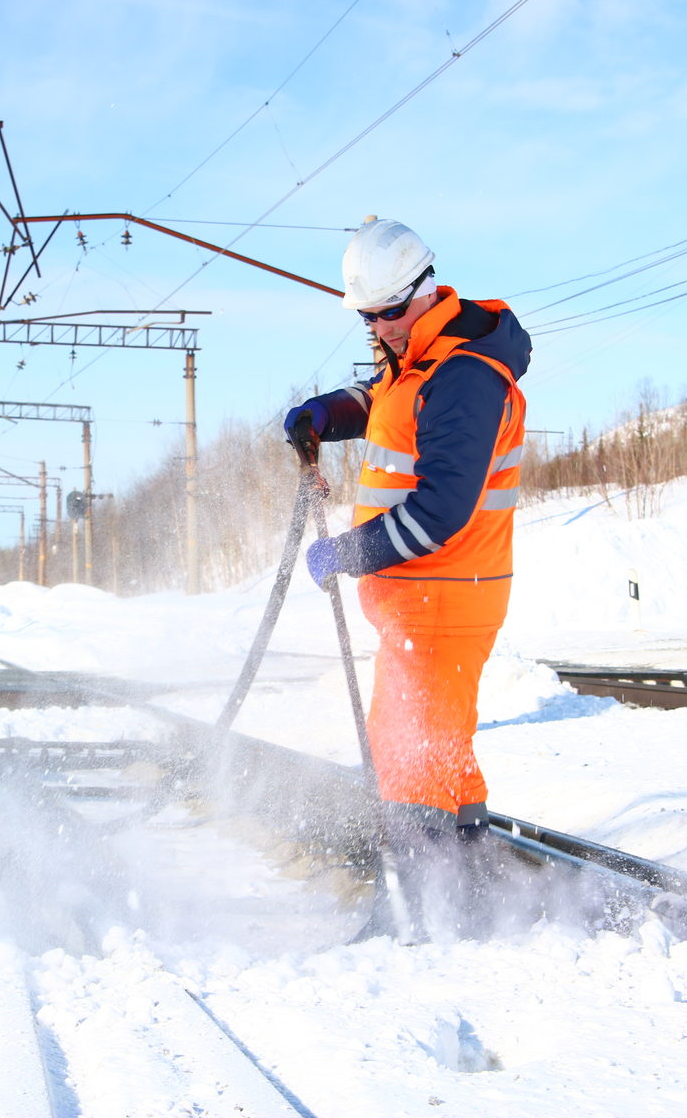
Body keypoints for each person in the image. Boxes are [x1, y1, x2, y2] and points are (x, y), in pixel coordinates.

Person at [283, 216, 531, 937]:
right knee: (443, 755)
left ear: (426, 290)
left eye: (391, 312)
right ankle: (476, 899)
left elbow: (441, 510)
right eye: (370, 317)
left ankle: (414, 917)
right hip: (423, 602)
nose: (382, 328)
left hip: (448, 598)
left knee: (408, 758)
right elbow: (384, 401)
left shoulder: (465, 377)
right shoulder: (420, 361)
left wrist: (348, 554)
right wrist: (324, 415)